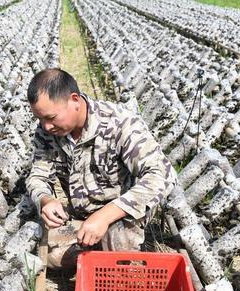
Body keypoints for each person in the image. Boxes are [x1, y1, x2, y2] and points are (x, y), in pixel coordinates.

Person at [25, 68, 177, 268]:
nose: (45, 127)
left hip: (121, 214)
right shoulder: (47, 132)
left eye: (51, 118)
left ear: (74, 100)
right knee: (49, 252)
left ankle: (108, 255)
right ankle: (99, 255)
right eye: (40, 119)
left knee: (118, 244)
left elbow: (163, 175)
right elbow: (37, 176)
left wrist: (105, 216)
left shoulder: (120, 124)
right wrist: (46, 200)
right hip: (82, 216)